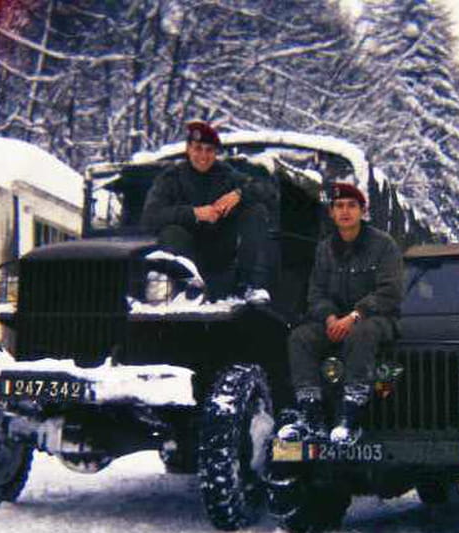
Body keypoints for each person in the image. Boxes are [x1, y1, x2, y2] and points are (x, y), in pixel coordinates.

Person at [278, 182, 404, 445]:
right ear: (332, 213)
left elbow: (389, 292)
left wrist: (355, 315)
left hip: (377, 319)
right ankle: (311, 417)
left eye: (351, 206)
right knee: (301, 337)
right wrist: (330, 318)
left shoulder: (384, 245)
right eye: (339, 206)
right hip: (336, 321)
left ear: (363, 211)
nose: (345, 211)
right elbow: (316, 293)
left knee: (361, 332)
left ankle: (351, 417)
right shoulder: (325, 249)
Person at [141, 121, 277, 303]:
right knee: (171, 231)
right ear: (188, 149)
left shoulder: (226, 175)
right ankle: (186, 289)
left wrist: (240, 194)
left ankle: (251, 286)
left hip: (221, 256)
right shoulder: (171, 178)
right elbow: (150, 217)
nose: (203, 156)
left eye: (209, 150)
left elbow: (269, 191)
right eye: (198, 149)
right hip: (184, 257)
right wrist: (194, 213)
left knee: (256, 210)